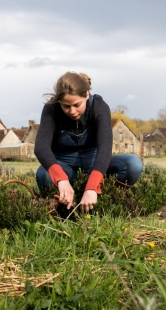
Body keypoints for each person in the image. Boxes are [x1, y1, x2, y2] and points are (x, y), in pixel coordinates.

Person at [35, 72, 143, 213]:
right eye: (66, 106)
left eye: (77, 105)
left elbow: (105, 150)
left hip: (96, 166)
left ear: (86, 95)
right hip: (67, 170)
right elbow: (41, 148)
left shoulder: (99, 106)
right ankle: (66, 205)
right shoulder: (51, 109)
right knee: (44, 174)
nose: (72, 111)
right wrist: (61, 179)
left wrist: (92, 186)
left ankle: (104, 200)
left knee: (133, 164)